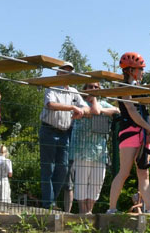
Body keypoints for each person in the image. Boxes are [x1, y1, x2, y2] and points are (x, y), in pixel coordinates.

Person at [106, 52, 150, 213]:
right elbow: (132, 112)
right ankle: (112, 208)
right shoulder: (124, 88)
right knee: (124, 171)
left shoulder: (141, 88)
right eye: (140, 69)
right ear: (131, 70)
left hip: (143, 133)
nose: (142, 72)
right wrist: (149, 128)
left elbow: (146, 111)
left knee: (144, 173)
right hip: (129, 132)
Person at [39, 61, 86, 209]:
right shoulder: (51, 87)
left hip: (65, 133)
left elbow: (84, 106)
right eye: (64, 71)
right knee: (48, 168)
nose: (67, 74)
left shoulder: (73, 91)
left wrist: (81, 112)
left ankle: (52, 201)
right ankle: (49, 203)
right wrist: (73, 107)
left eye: (70, 72)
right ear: (58, 73)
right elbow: (50, 105)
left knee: (63, 169)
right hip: (49, 130)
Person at [71, 82, 118, 214]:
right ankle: (83, 212)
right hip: (82, 151)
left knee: (97, 183)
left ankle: (89, 212)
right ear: (85, 89)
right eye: (90, 87)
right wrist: (97, 107)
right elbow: (95, 111)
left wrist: (100, 108)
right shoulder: (80, 103)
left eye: (96, 87)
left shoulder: (103, 104)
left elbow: (117, 110)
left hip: (100, 152)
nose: (93, 89)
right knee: (81, 184)